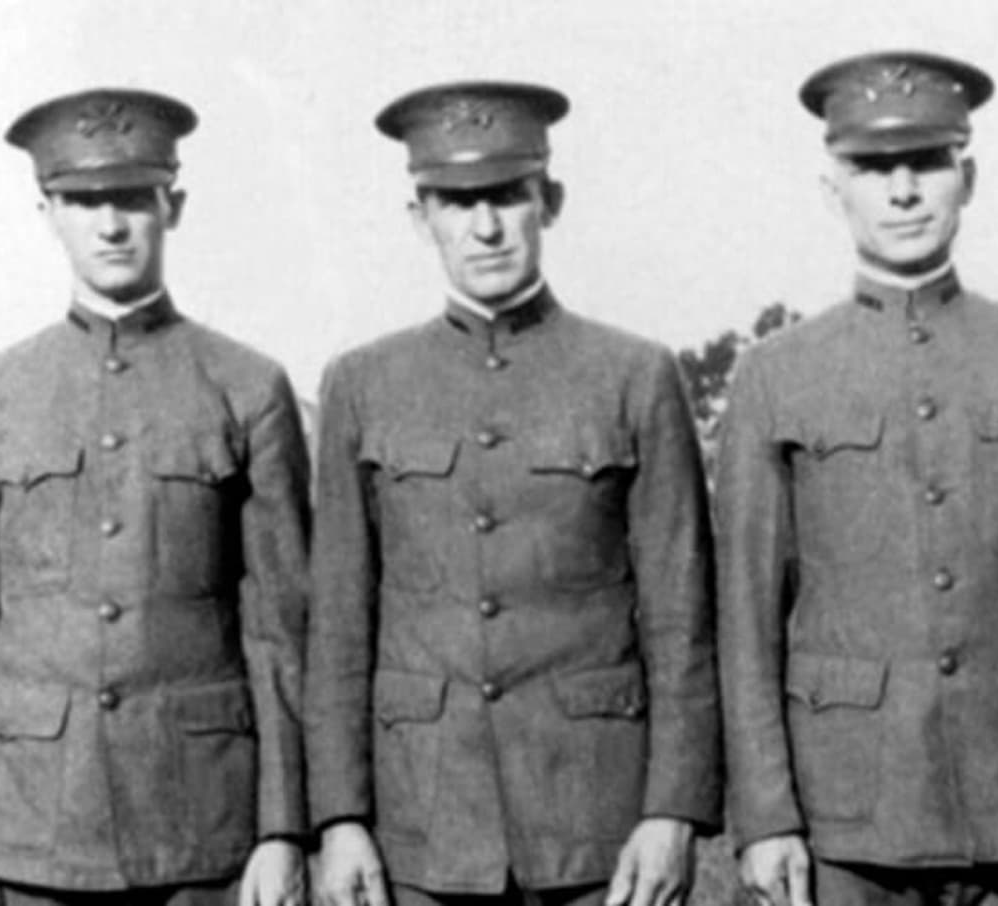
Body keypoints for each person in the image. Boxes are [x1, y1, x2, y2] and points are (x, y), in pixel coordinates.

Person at [714, 51, 998, 906]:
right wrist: (765, 815)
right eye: (875, 169)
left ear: (966, 179)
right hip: (851, 812)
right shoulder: (776, 373)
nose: (904, 191)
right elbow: (747, 618)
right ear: (834, 190)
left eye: (927, 163)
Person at [304, 81, 720, 906]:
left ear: (549, 202)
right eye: (457, 204)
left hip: (598, 824)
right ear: (420, 218)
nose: (486, 227)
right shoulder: (363, 384)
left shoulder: (634, 375)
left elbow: (683, 620)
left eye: (507, 196)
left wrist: (672, 810)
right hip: (424, 826)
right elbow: (340, 626)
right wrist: (340, 817)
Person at [0, 88, 311, 906]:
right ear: (47, 215)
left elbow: (280, 629)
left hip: (203, 825)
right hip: (30, 827)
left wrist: (283, 830)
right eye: (84, 202)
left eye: (133, 198)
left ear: (173, 206)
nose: (110, 225)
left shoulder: (247, 387)